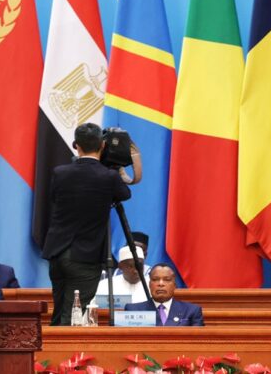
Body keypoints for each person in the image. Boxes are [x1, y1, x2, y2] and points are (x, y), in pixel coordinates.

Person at [41, 122, 131, 325]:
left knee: (60, 309)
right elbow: (125, 194)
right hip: (85, 256)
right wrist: (115, 170)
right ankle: (62, 355)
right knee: (73, 314)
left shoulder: (60, 173)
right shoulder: (108, 176)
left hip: (57, 252)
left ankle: (50, 353)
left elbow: (55, 198)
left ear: (75, 145)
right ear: (103, 145)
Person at [125, 263, 204, 326]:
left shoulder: (192, 311)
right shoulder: (133, 310)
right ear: (149, 284)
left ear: (174, 285)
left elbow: (197, 342)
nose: (161, 284)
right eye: (155, 279)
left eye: (167, 280)